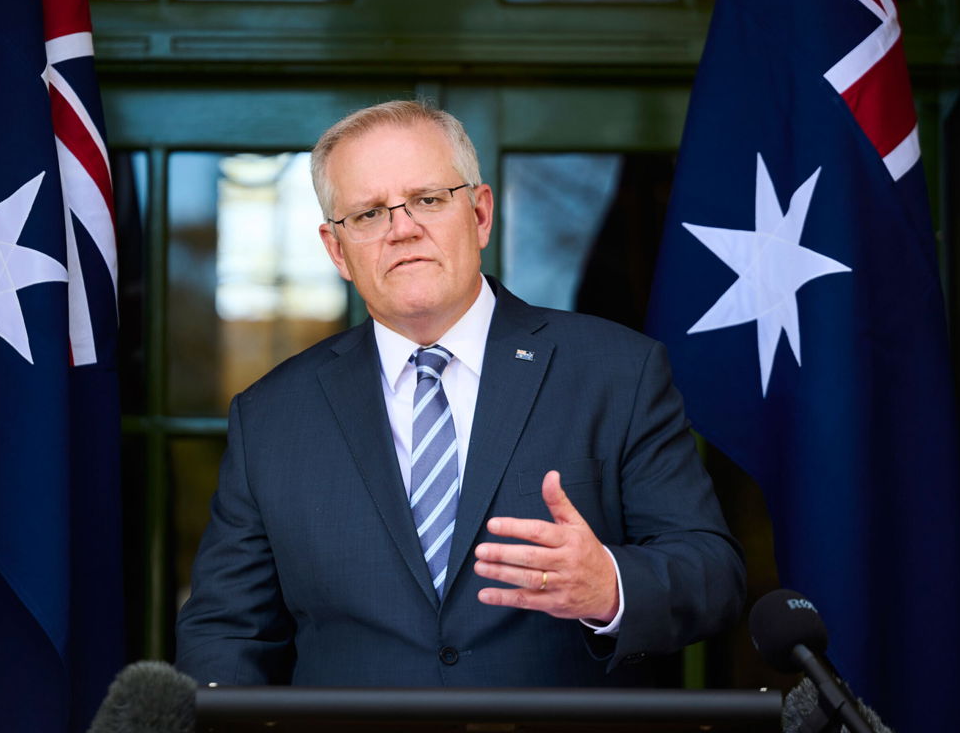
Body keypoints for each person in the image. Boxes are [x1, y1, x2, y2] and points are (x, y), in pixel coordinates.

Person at [175, 100, 744, 687]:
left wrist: (609, 585)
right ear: (337, 250)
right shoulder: (271, 415)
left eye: (427, 199)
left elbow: (712, 574)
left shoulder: (617, 372)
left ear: (479, 213)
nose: (402, 228)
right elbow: (227, 632)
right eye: (368, 214)